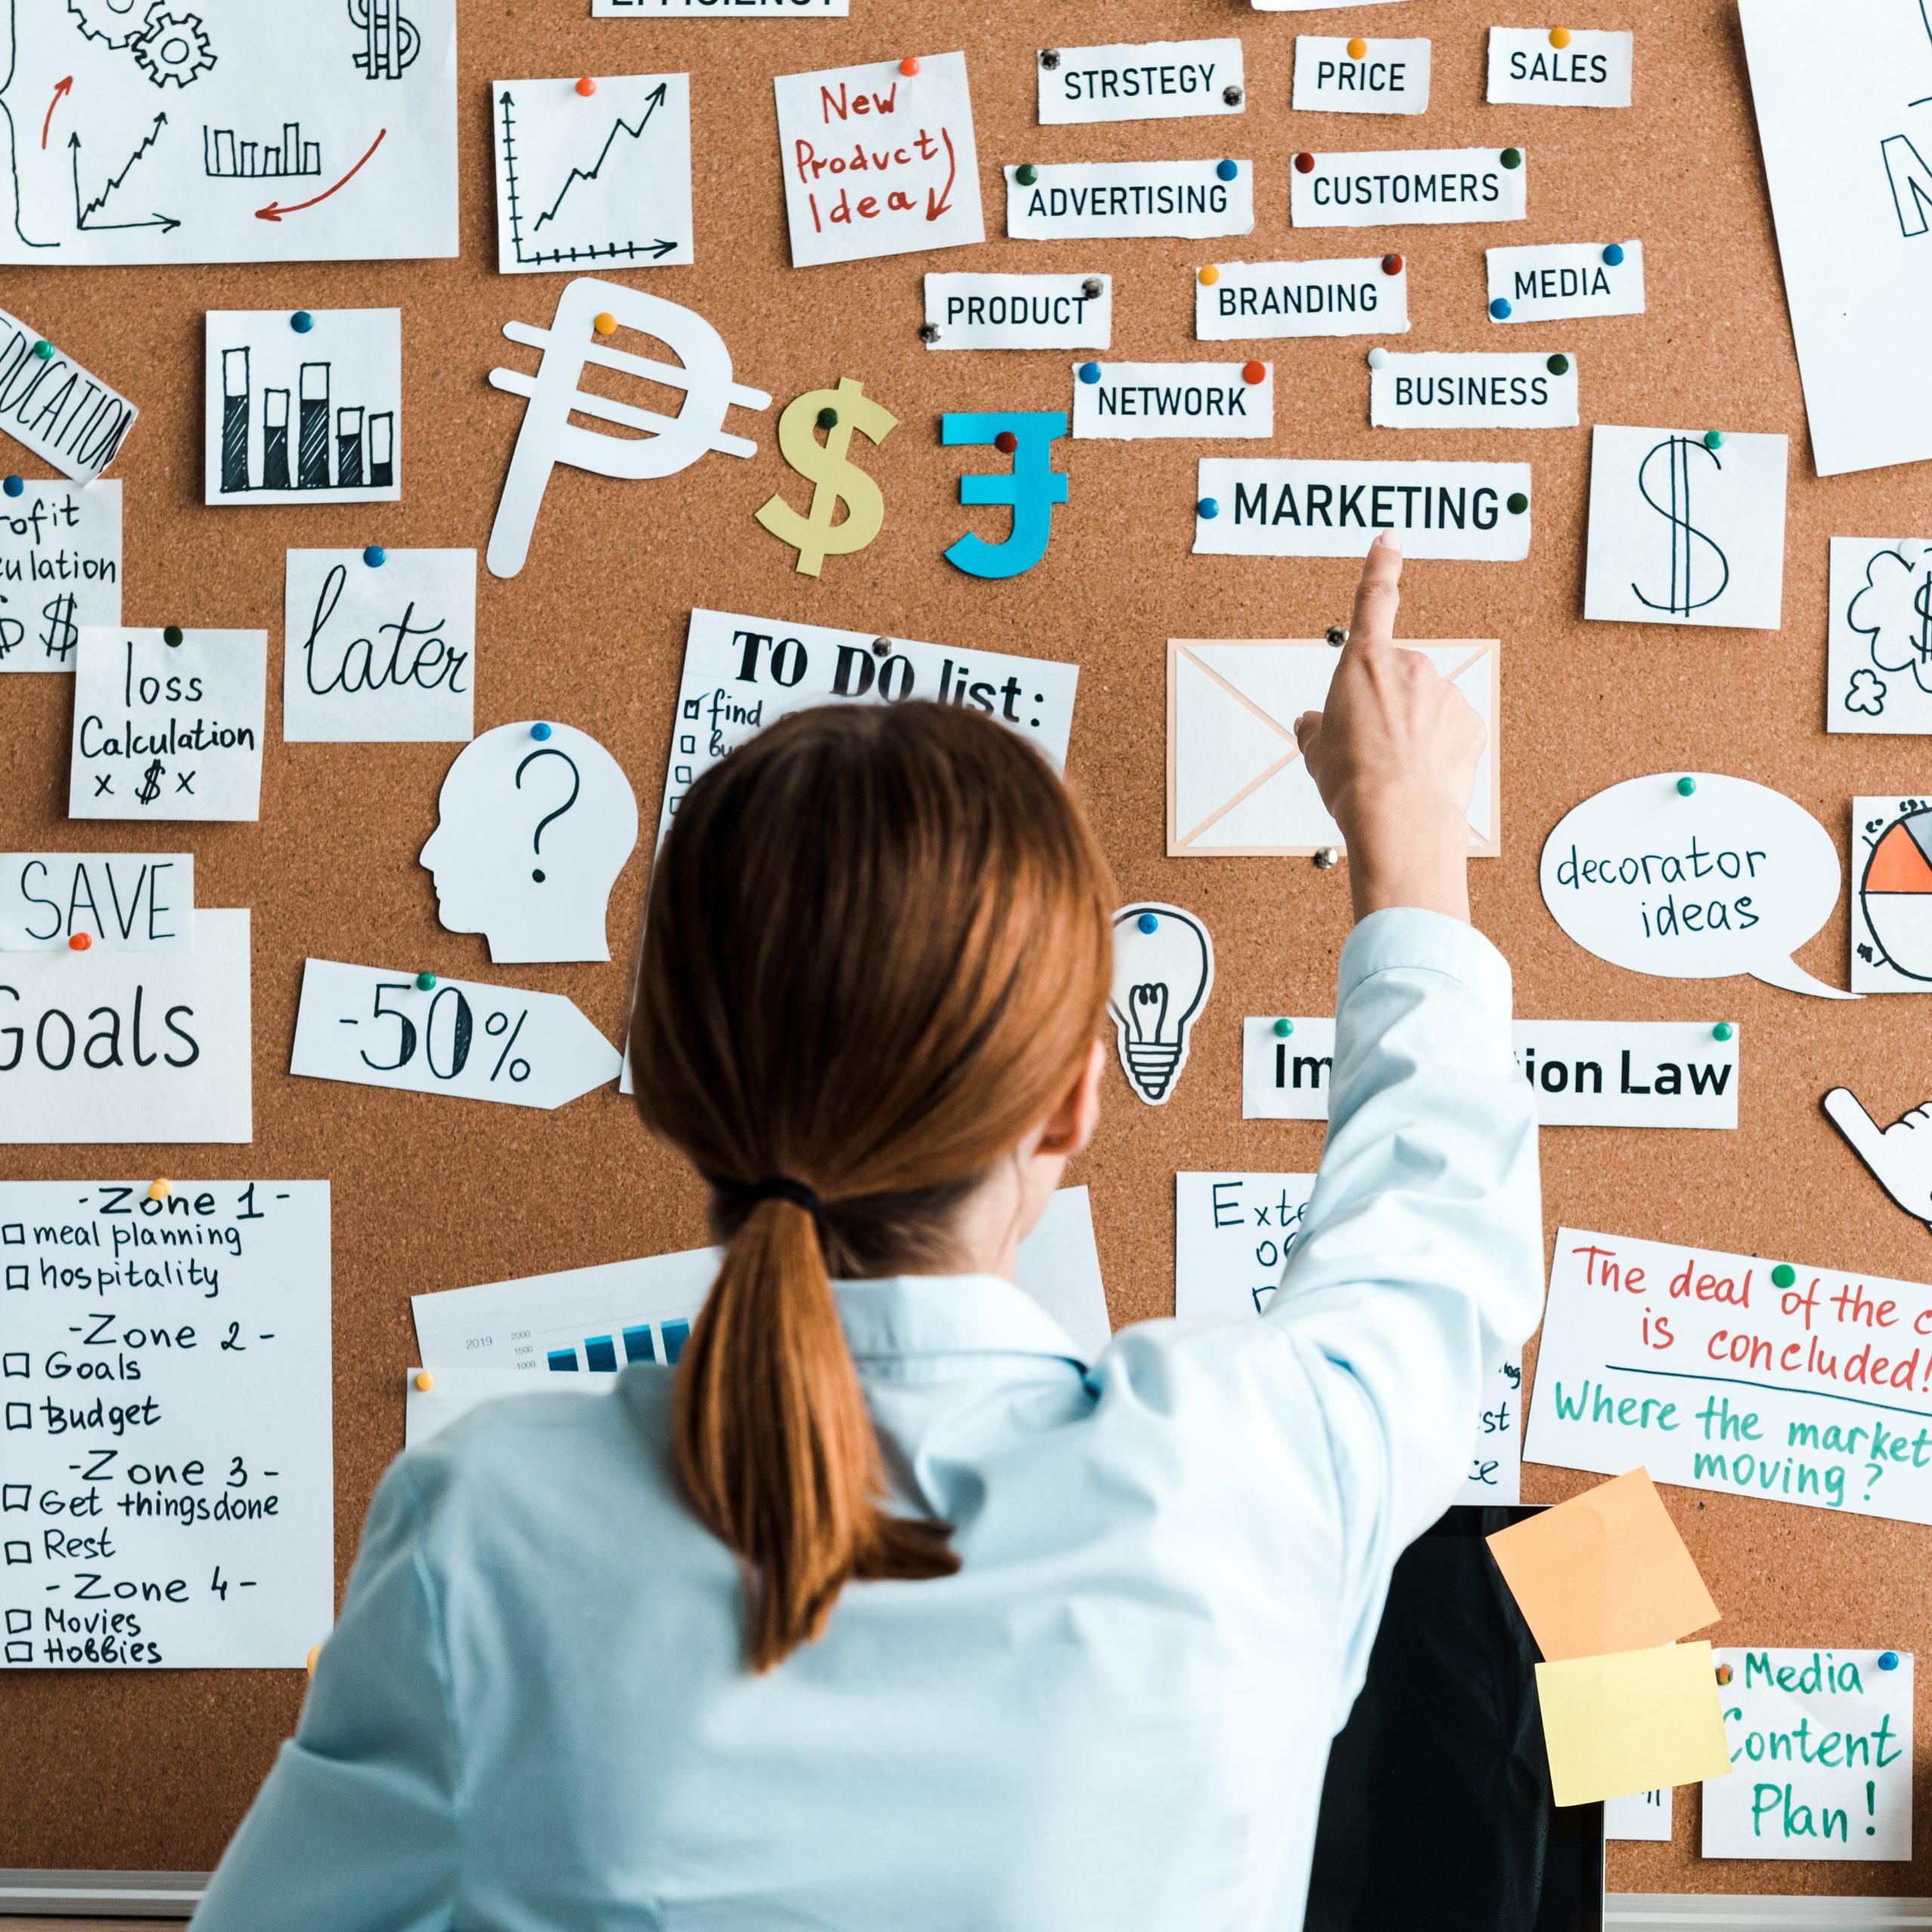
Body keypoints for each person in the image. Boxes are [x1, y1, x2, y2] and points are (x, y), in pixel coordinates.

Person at [192, 535, 1541, 1931]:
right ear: (1078, 1098)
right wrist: (1408, 834)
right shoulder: (1249, 1475)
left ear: (665, 1072)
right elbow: (1433, 1232)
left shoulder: (488, 1529)